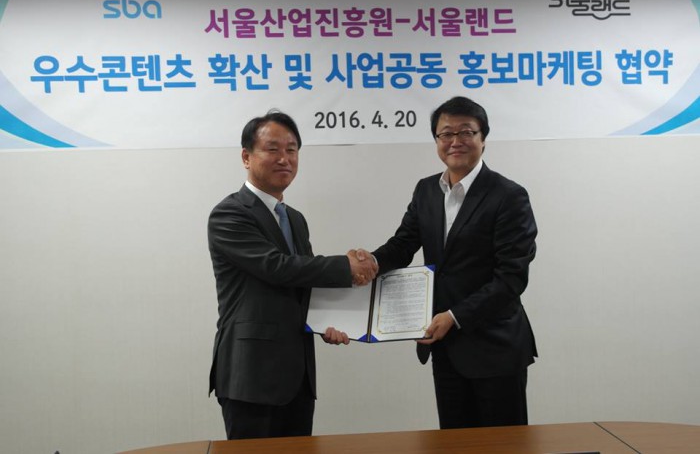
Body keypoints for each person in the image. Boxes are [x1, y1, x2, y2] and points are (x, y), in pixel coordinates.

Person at [361, 96, 538, 428]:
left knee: (504, 447)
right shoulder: (426, 190)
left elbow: (511, 278)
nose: (456, 141)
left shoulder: (509, 196)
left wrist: (454, 317)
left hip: (495, 348)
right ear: (437, 140)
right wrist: (367, 262)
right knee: (454, 443)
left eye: (466, 132)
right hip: (445, 347)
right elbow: (402, 246)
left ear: (483, 138)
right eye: (446, 133)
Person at [207, 110, 377, 439]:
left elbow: (305, 282)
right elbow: (277, 267)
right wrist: (346, 267)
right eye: (272, 149)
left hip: (298, 377)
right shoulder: (229, 213)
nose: (284, 158)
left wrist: (330, 320)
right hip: (251, 376)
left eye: (292, 149)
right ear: (246, 157)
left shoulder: (295, 219)